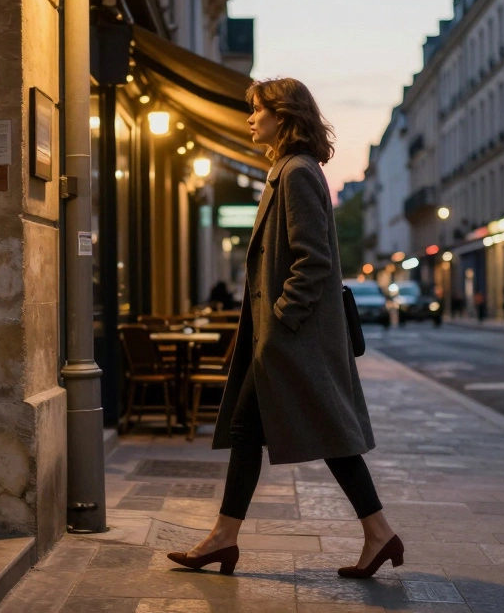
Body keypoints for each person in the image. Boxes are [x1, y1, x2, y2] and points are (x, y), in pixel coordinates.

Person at [166, 78, 403, 579]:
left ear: (284, 114)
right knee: (268, 431)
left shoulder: (295, 172)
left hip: (289, 339)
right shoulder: (288, 170)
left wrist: (280, 319)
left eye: (258, 110)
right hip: (283, 339)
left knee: (309, 432)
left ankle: (228, 538)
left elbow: (313, 261)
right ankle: (229, 537)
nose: (250, 118)